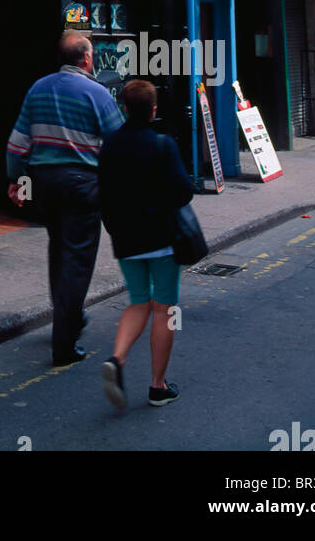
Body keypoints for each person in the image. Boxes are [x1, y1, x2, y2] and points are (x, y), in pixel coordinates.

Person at [6, 32, 123, 366]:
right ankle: (64, 342)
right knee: (78, 260)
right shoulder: (98, 94)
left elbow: (17, 142)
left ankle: (70, 314)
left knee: (59, 249)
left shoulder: (38, 89)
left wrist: (15, 180)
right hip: (82, 185)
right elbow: (117, 145)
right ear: (86, 58)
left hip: (44, 185)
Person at [97, 79, 196, 410]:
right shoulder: (163, 145)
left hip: (126, 239)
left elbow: (104, 194)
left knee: (138, 302)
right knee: (164, 309)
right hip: (162, 241)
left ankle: (118, 358)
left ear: (124, 108)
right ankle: (157, 386)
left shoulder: (109, 145)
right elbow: (183, 192)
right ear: (153, 110)